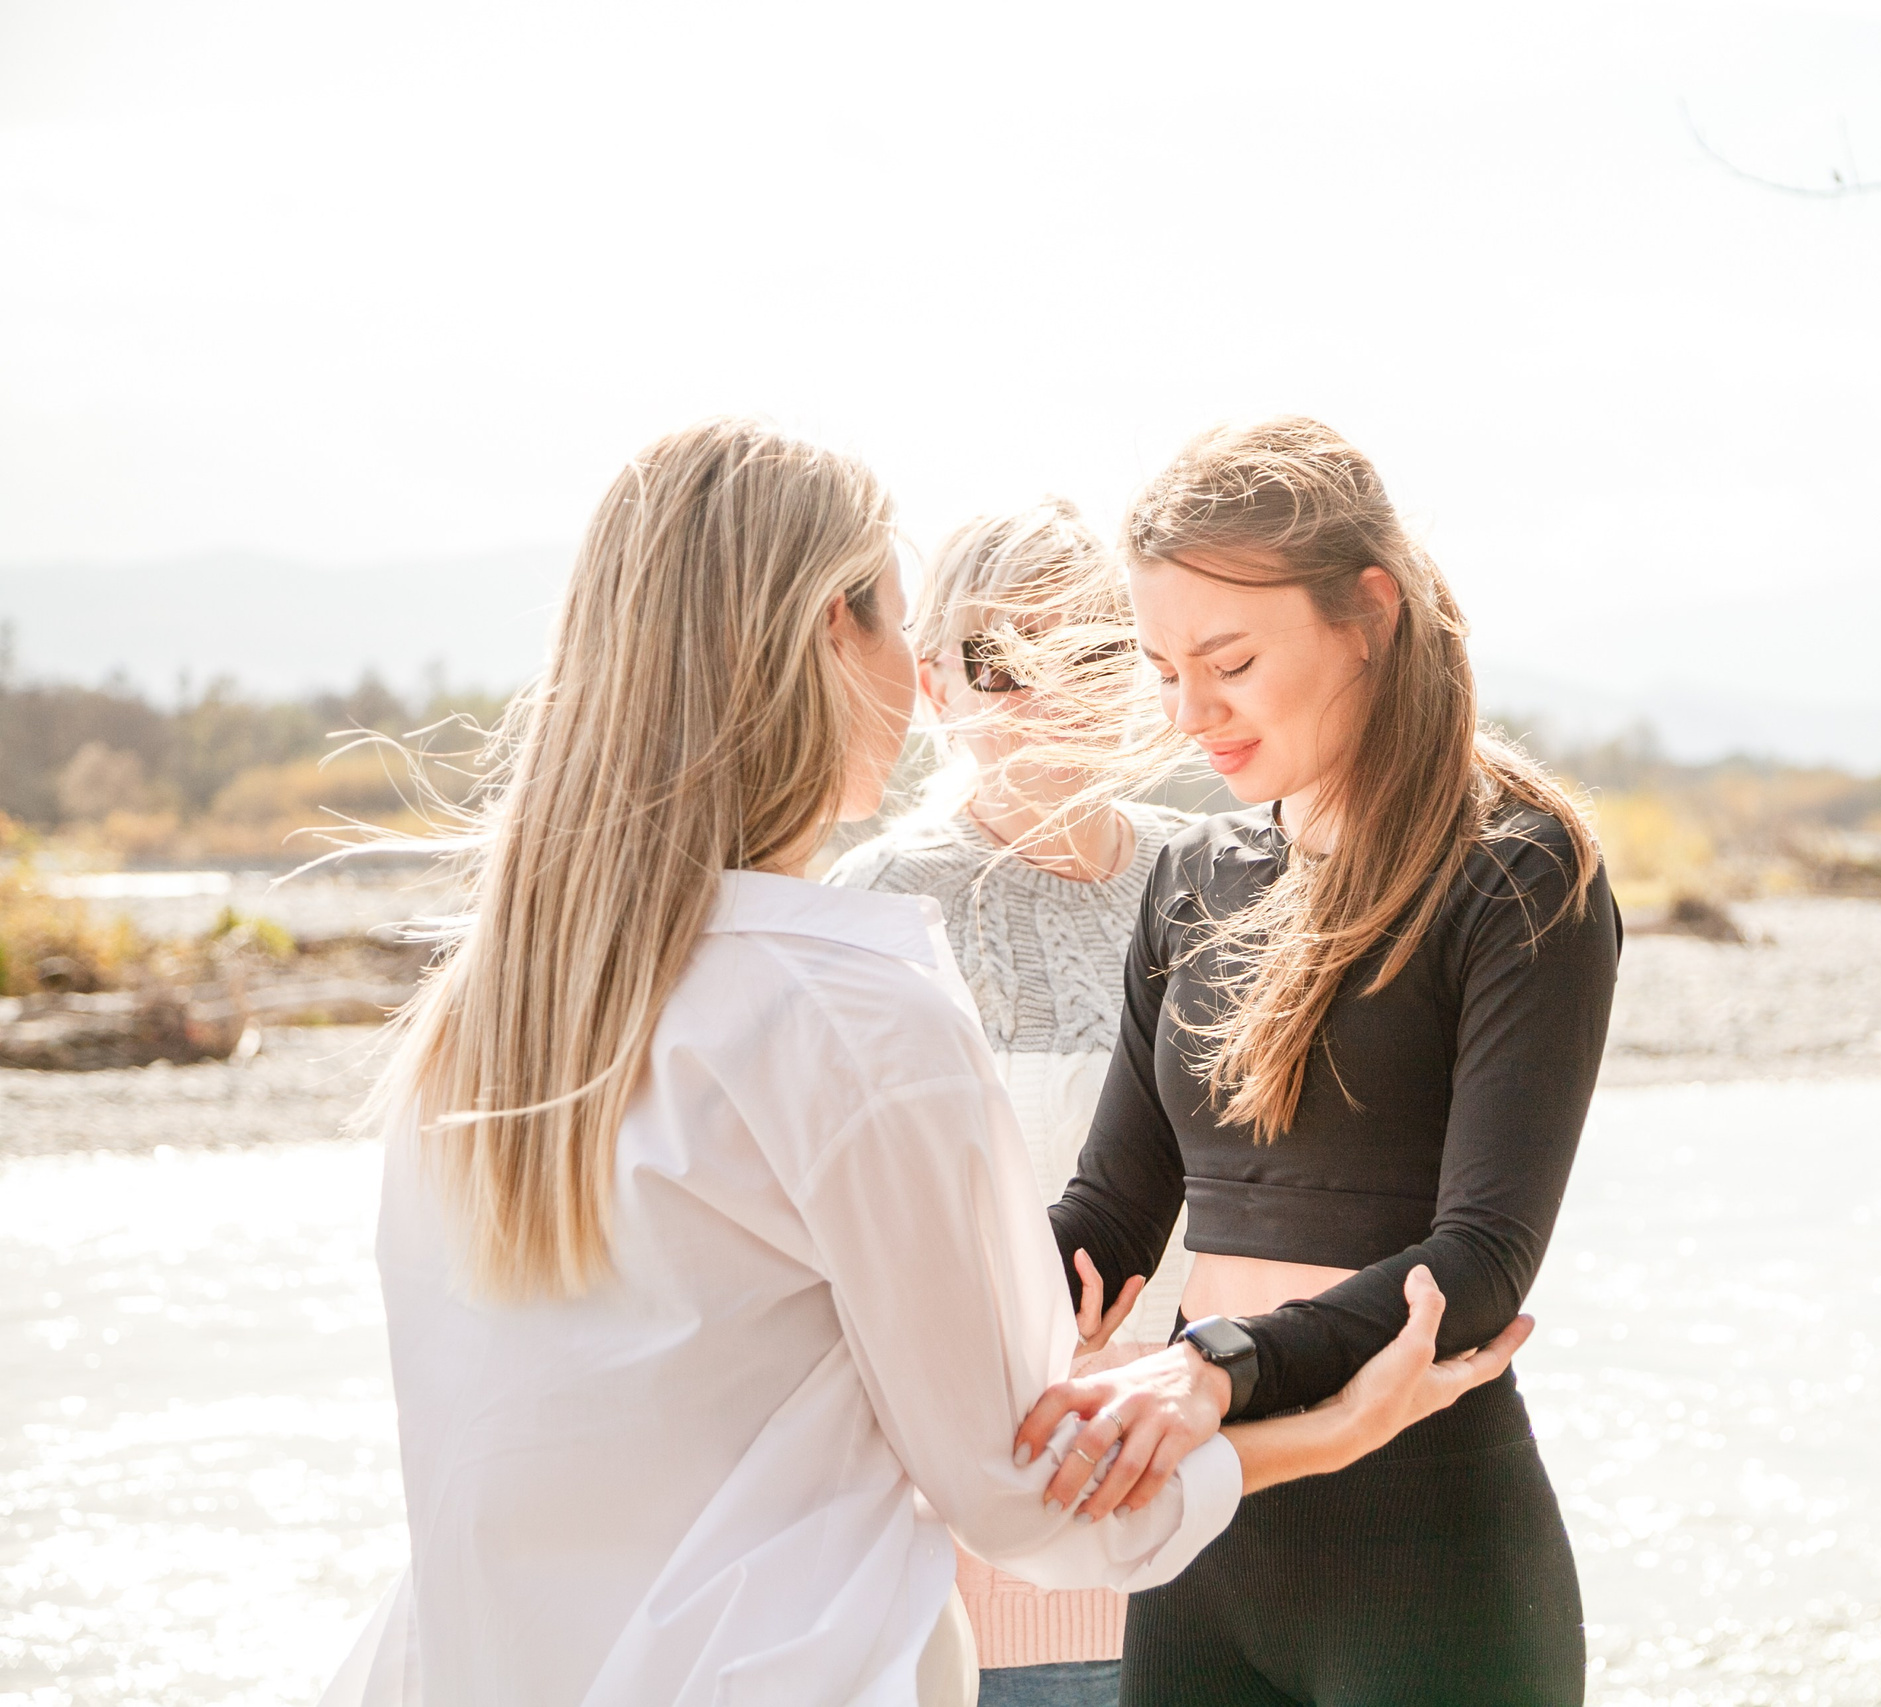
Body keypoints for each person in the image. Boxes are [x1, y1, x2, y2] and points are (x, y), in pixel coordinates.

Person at [318, 419, 1531, 1707]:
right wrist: (1331, 1432)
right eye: (906, 627)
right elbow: (1016, 1496)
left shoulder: (479, 1015)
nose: (926, 677)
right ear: (829, 639)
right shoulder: (850, 1003)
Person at [1031, 416, 1621, 1706]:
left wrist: (1216, 1362)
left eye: (1228, 661)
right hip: (1201, 1547)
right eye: (1161, 668)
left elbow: (1479, 1265)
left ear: (1368, 613)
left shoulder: (1521, 875)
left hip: (1429, 1565)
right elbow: (1110, 1220)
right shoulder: (1192, 879)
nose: (1191, 712)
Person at [825, 498, 1195, 1706]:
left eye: (1087, 653)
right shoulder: (877, 904)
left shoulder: (1214, 880)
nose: (1044, 698)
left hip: (1215, 1528)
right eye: (998, 662)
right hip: (985, 1550)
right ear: (933, 684)